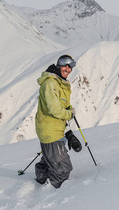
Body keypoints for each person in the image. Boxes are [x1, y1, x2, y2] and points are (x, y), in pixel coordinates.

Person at [34, 54, 82, 188]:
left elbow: (60, 107)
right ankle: (52, 191)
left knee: (51, 159)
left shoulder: (59, 82)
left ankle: (42, 178)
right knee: (63, 169)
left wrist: (69, 132)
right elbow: (55, 110)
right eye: (64, 64)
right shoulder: (51, 83)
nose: (67, 68)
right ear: (58, 65)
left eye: (70, 65)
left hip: (55, 129)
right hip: (50, 132)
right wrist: (70, 114)